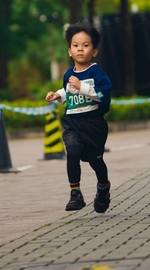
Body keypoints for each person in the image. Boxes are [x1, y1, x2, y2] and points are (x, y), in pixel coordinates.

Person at [46, 21, 112, 213]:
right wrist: (58, 95)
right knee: (72, 153)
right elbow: (68, 90)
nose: (80, 49)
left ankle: (103, 187)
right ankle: (75, 193)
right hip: (72, 123)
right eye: (76, 45)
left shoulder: (97, 73)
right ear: (69, 51)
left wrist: (82, 86)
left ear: (94, 51)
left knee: (96, 161)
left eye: (85, 45)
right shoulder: (68, 75)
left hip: (94, 126)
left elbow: (103, 95)